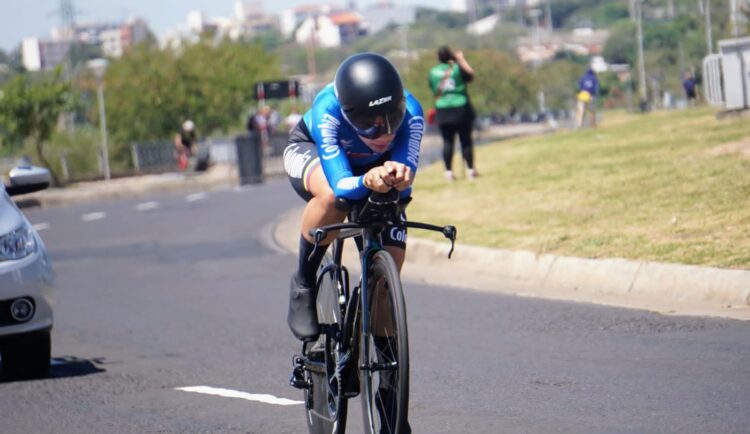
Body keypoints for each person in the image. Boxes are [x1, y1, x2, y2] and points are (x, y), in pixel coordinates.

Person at [283, 52, 422, 342]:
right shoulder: (327, 109)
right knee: (334, 199)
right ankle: (304, 283)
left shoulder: (413, 113)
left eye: (393, 118)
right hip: (317, 154)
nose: (383, 132)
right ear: (347, 112)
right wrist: (368, 180)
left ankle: (386, 375)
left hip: (373, 169)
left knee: (386, 279)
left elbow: (402, 192)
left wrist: (395, 180)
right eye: (368, 122)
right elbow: (344, 185)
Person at [428, 45, 477, 181]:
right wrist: (461, 60)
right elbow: (470, 75)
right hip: (461, 107)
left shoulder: (433, 72)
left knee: (447, 142)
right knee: (465, 141)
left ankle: (448, 172)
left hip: (443, 110)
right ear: (451, 56)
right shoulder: (457, 68)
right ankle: (470, 170)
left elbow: (432, 88)